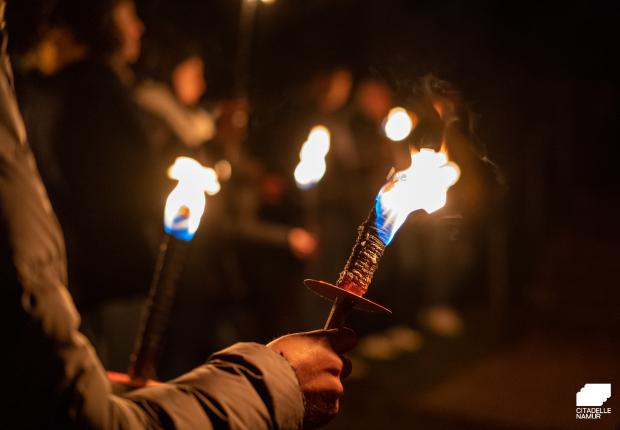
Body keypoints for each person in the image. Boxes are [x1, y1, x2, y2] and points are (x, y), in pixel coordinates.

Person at [0, 3, 356, 429]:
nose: (138, 24)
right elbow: (77, 414)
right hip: (113, 272)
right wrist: (279, 382)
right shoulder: (100, 94)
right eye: (126, 11)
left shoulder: (103, 92)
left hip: (124, 270)